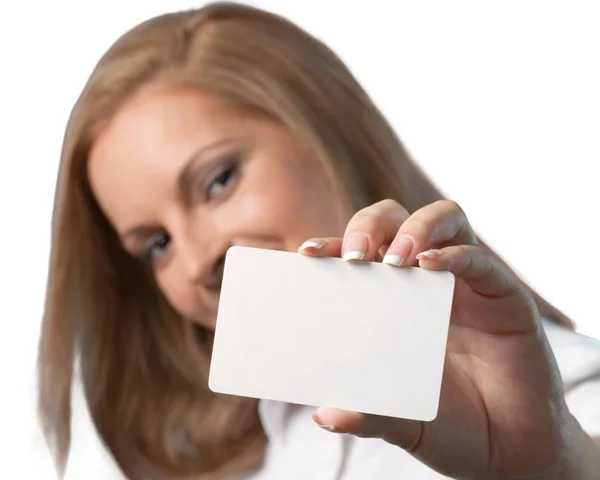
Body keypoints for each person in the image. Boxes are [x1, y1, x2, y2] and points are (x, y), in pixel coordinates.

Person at [38, 2, 600, 479]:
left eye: (219, 181)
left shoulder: (571, 404)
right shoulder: (259, 445)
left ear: (322, 124)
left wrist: (557, 465)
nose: (195, 260)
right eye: (155, 244)